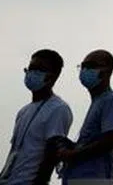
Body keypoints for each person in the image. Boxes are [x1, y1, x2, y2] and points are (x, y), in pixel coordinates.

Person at [0, 49, 73, 185]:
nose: (32, 73)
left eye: (39, 69)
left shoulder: (58, 109)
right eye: (30, 68)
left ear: (53, 76)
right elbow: (15, 151)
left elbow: (51, 154)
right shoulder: (23, 111)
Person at [57, 49, 113, 184]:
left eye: (91, 66)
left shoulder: (112, 100)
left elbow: (112, 140)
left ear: (107, 71)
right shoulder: (98, 102)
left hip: (91, 179)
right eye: (83, 66)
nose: (85, 70)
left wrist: (72, 154)